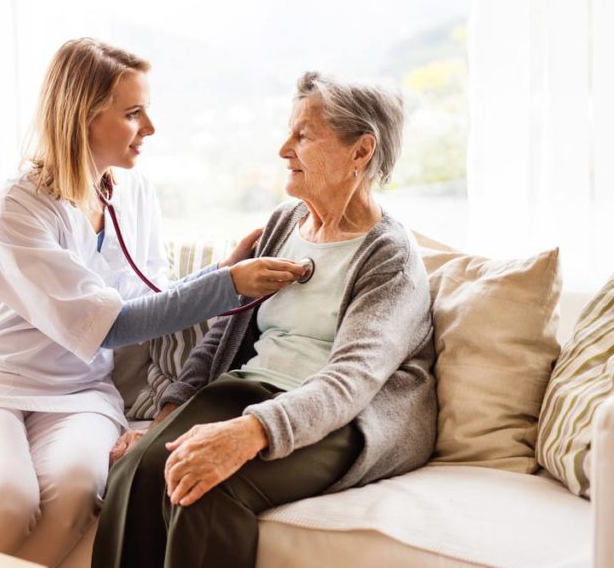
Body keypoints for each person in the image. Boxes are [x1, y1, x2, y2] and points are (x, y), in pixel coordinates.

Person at [0, 38, 304, 566]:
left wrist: (219, 272)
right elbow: (111, 325)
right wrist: (230, 284)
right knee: (7, 501)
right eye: (133, 113)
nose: (149, 127)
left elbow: (151, 295)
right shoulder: (17, 209)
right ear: (81, 116)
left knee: (76, 492)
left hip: (79, 390)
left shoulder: (132, 193)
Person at [93, 71, 438, 568]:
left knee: (203, 490)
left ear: (361, 152)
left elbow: (350, 382)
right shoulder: (282, 224)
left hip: (342, 419)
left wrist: (248, 432)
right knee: (136, 471)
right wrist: (166, 416)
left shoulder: (390, 258)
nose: (283, 149)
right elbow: (222, 337)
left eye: (303, 135)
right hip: (250, 388)